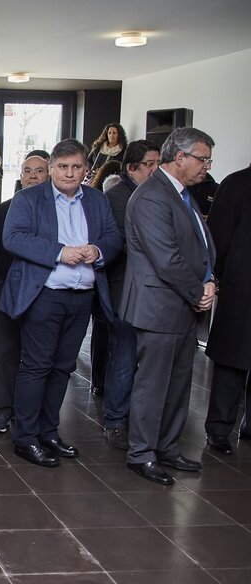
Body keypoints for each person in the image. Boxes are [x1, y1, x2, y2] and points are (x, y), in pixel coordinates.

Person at [1, 139, 122, 468]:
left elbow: (114, 238)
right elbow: (13, 238)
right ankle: (25, 438)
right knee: (37, 365)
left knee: (63, 367)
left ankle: (48, 432)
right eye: (63, 167)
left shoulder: (97, 200)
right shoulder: (28, 199)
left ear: (86, 170)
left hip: (82, 296)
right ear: (51, 168)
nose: (70, 173)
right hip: (44, 295)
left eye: (76, 167)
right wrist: (59, 252)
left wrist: (98, 250)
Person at [122, 127, 216, 485]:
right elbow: (167, 258)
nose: (207, 167)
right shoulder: (152, 196)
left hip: (181, 305)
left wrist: (210, 280)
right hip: (159, 306)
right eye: (203, 159)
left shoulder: (181, 193)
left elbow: (201, 246)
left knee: (178, 384)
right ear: (180, 157)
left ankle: (167, 447)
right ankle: (142, 453)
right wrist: (198, 291)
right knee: (154, 385)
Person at [96, 140, 160, 449]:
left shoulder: (156, 194)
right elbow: (127, 244)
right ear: (132, 168)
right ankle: (115, 421)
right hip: (125, 290)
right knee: (123, 356)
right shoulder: (117, 198)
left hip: (152, 293)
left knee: (144, 360)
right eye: (150, 164)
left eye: (158, 163)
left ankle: (139, 418)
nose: (156, 170)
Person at [0, 154, 49, 433]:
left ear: (49, 175)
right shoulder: (3, 210)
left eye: (39, 171)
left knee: (38, 359)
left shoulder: (57, 213)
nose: (33, 176)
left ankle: (29, 413)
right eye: (27, 171)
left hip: (45, 297)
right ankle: (2, 410)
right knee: (5, 354)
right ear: (20, 176)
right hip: (7, 295)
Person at [203, 163, 251, 455]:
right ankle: (218, 430)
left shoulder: (234, 183)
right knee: (232, 361)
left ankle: (243, 426)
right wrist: (217, 276)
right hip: (241, 286)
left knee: (234, 358)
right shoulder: (236, 184)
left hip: (239, 283)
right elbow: (217, 238)